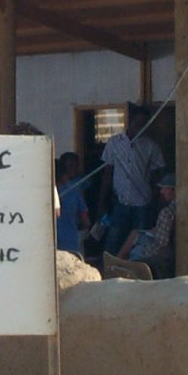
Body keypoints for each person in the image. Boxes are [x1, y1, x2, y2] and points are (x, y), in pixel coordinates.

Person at [99, 102, 166, 255]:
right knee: (114, 239)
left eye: (144, 124)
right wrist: (102, 202)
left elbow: (157, 175)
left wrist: (156, 201)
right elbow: (107, 173)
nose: (140, 127)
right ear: (130, 122)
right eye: (138, 123)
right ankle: (109, 266)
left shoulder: (151, 146)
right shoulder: (114, 143)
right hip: (120, 201)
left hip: (142, 202)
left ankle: (133, 266)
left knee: (139, 244)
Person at [119, 173, 177, 275]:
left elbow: (162, 242)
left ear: (174, 190)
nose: (161, 192)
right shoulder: (179, 208)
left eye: (165, 188)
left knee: (135, 240)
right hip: (165, 244)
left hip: (160, 249)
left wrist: (145, 250)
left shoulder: (166, 213)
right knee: (136, 233)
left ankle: (120, 263)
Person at [55, 153, 90, 255]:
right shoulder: (74, 191)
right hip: (70, 240)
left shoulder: (44, 194)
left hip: (50, 242)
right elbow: (85, 220)